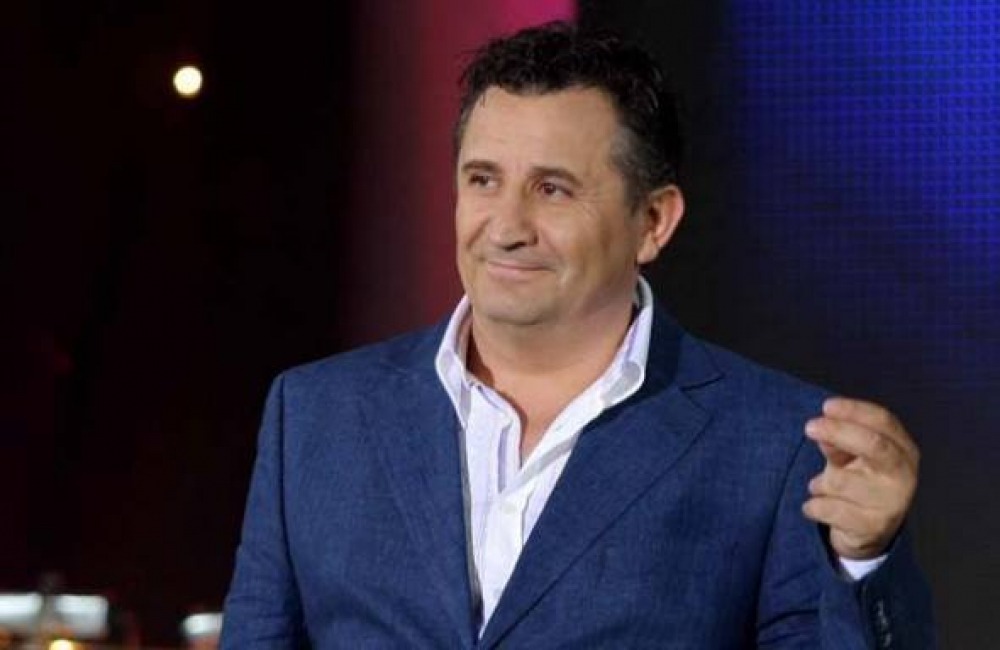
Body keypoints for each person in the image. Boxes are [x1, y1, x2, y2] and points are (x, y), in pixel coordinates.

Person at [221, 22, 934, 649]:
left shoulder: (778, 444)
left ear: (653, 222)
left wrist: (862, 561)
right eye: (483, 180)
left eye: (552, 189)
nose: (506, 227)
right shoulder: (315, 414)